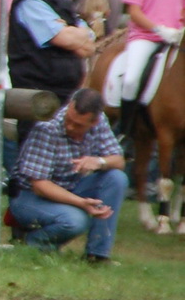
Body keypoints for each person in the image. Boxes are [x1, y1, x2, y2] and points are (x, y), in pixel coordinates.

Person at [9, 88, 126, 263]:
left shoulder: (100, 121)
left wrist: (99, 161)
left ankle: (97, 255)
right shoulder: (47, 127)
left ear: (93, 122)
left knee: (117, 178)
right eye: (69, 119)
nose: (70, 126)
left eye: (78, 125)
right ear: (70, 106)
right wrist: (81, 203)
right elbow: (39, 185)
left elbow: (119, 161)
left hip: (70, 187)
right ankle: (31, 243)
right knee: (75, 221)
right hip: (29, 196)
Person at [8, 0, 92, 106]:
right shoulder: (30, 1)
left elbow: (88, 47)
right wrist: (72, 33)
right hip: (41, 102)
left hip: (67, 96)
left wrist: (70, 31)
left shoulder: (63, 0)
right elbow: (68, 40)